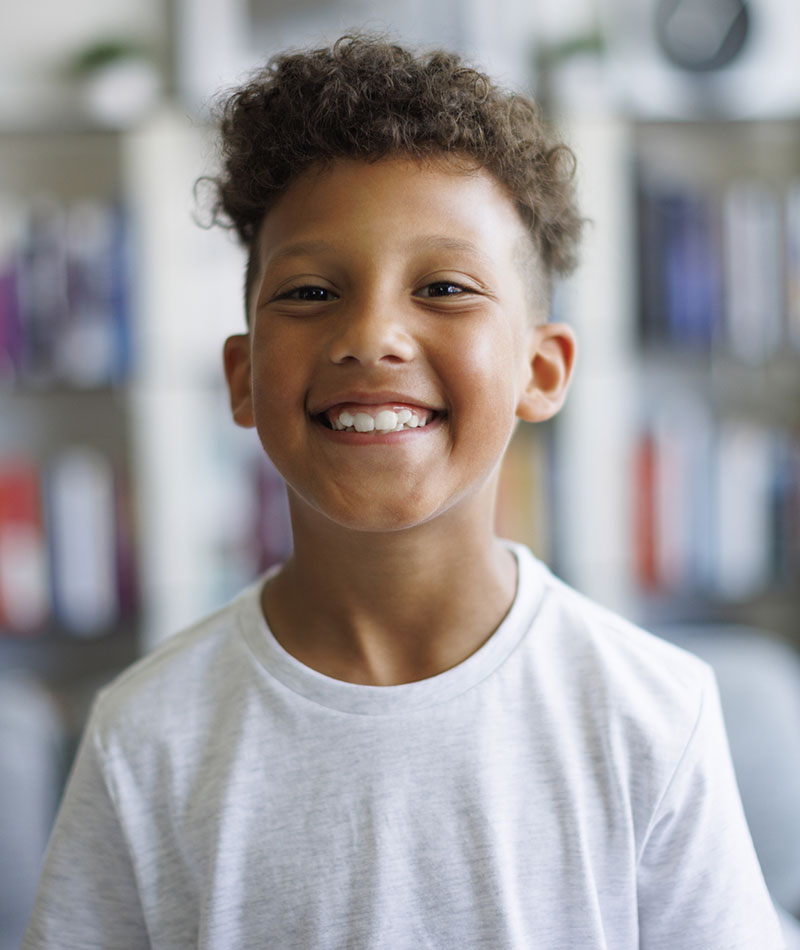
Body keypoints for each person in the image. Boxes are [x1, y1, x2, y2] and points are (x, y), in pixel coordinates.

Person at [23, 33, 783, 949]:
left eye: (446, 286)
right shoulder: (145, 736)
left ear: (541, 370)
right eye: (308, 293)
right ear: (241, 377)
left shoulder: (651, 713)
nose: (372, 335)